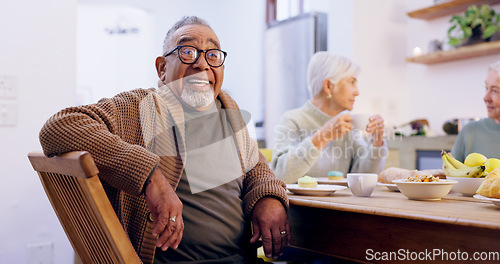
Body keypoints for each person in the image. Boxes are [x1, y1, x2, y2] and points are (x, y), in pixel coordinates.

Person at [39, 16, 290, 264]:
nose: (202, 64)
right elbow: (59, 126)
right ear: (162, 68)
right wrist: (150, 175)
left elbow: (256, 167)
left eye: (212, 55)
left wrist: (268, 197)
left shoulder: (230, 117)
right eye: (187, 52)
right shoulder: (139, 108)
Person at [270, 52, 387, 184]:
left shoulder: (348, 125)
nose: (357, 91)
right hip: (301, 205)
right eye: (352, 82)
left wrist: (377, 142)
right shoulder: (292, 120)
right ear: (328, 86)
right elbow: (280, 176)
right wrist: (323, 136)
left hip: (340, 204)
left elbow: (362, 179)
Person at [451, 60, 500, 161]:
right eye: (486, 88)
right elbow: (448, 174)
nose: (485, 98)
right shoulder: (469, 131)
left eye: (495, 91)